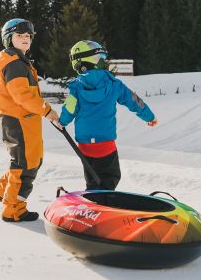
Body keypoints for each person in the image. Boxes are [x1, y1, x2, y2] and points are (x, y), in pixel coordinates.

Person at [58, 40, 157, 191]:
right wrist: (149, 116)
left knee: (92, 179)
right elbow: (135, 101)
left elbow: (69, 109)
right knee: (111, 177)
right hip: (105, 144)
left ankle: (93, 198)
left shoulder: (76, 87)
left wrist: (62, 122)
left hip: (84, 146)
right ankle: (104, 202)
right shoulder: (114, 84)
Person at [0, 18, 60, 222]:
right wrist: (47, 110)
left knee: (31, 161)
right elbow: (22, 96)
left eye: (28, 36)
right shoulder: (14, 64)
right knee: (24, 165)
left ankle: (4, 191)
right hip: (17, 120)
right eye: (20, 35)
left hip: (25, 120)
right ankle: (13, 209)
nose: (25, 39)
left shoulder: (19, 61)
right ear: (9, 39)